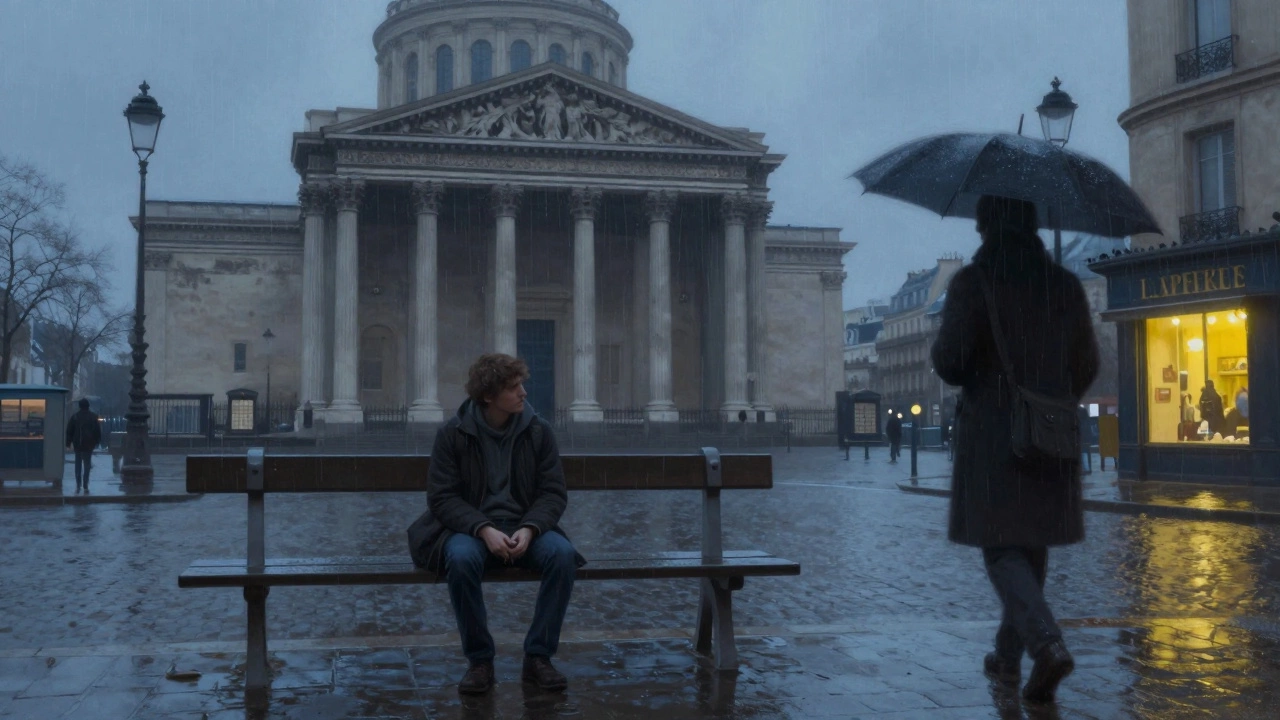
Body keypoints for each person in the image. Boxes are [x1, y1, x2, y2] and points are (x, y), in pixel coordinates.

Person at [930, 195, 1099, 704]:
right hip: (1050, 429)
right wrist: (1048, 393)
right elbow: (1087, 364)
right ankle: (1007, 657)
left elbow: (951, 362)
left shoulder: (974, 283)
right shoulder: (1065, 286)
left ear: (985, 226)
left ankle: (1045, 645)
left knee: (1003, 544)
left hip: (993, 435)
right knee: (1032, 541)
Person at [418, 353, 583, 695]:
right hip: (470, 530)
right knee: (461, 561)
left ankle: (538, 656)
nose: (523, 393)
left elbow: (553, 493)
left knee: (563, 555)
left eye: (521, 384)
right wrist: (482, 528)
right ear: (488, 396)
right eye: (513, 387)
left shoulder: (539, 432)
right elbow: (442, 498)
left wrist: (531, 528)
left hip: (526, 527)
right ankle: (480, 661)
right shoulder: (453, 434)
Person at [65, 398, 102, 493]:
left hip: (78, 444)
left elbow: (69, 431)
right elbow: (97, 431)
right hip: (89, 444)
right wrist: (97, 441)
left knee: (78, 464)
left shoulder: (75, 417)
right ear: (88, 406)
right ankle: (85, 483)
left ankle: (78, 484)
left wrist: (68, 443)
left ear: (80, 406)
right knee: (87, 464)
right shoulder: (93, 417)